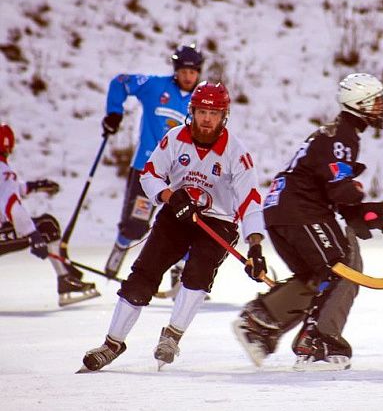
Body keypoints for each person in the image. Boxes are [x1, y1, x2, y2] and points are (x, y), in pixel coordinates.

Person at [80, 82, 268, 372]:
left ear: (224, 117)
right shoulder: (174, 138)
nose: (207, 119)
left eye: (214, 113)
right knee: (144, 274)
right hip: (177, 214)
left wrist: (255, 246)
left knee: (197, 274)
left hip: (218, 222)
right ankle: (112, 343)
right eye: (202, 111)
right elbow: (150, 174)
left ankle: (172, 335)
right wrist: (170, 196)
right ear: (191, 111)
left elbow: (250, 201)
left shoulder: (236, 153)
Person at [232, 73, 383, 371]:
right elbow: (340, 187)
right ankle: (318, 342)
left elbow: (328, 186)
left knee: (316, 274)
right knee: (342, 268)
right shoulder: (342, 136)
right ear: (358, 104)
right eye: (376, 102)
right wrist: (364, 203)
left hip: (281, 211)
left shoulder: (335, 133)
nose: (382, 107)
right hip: (301, 212)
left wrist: (364, 215)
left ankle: (259, 323)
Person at [103, 44, 204, 278]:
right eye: (184, 71)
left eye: (193, 72)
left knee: (185, 223)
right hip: (147, 170)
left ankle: (181, 278)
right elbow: (120, 81)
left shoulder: (201, 102)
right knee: (136, 224)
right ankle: (115, 260)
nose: (188, 77)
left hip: (180, 174)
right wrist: (114, 112)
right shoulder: (154, 86)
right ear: (176, 69)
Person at [0, 123, 99, 306]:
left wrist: (36, 186)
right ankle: (65, 280)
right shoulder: (4, 171)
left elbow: (10, 191)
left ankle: (66, 273)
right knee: (47, 226)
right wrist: (33, 234)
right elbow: (11, 205)